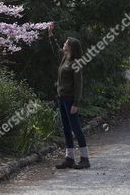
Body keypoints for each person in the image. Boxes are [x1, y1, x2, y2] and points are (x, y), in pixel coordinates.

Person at [48, 22, 90, 169]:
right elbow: (55, 50)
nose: (64, 44)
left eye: (66, 43)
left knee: (76, 128)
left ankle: (85, 158)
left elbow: (79, 85)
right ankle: (69, 158)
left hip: (70, 99)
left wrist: (76, 103)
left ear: (71, 47)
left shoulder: (76, 63)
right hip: (62, 98)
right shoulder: (65, 58)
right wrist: (50, 34)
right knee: (66, 128)